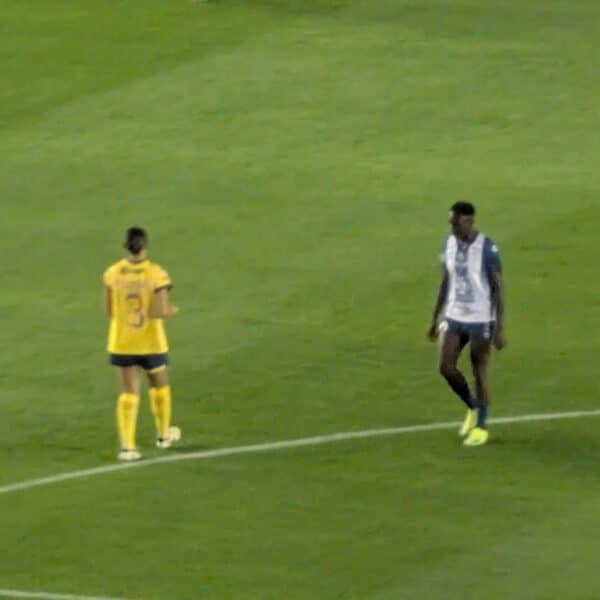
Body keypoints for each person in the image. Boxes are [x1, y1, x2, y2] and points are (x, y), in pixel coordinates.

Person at [427, 202, 506, 446]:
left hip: (480, 317)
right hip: (454, 314)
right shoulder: (448, 244)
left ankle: (481, 427)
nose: (452, 226)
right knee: (445, 367)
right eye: (450, 221)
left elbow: (498, 288)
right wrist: (435, 317)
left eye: (456, 222)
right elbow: (446, 280)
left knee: (479, 368)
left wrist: (499, 327)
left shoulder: (486, 248)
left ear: (469, 221)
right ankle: (472, 406)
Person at [103, 227, 181, 461]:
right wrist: (172, 310)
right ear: (145, 245)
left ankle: (127, 447)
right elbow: (160, 310)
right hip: (151, 342)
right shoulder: (157, 274)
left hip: (123, 341)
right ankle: (163, 436)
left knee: (129, 391)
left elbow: (109, 310)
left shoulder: (112, 273)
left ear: (125, 246)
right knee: (159, 384)